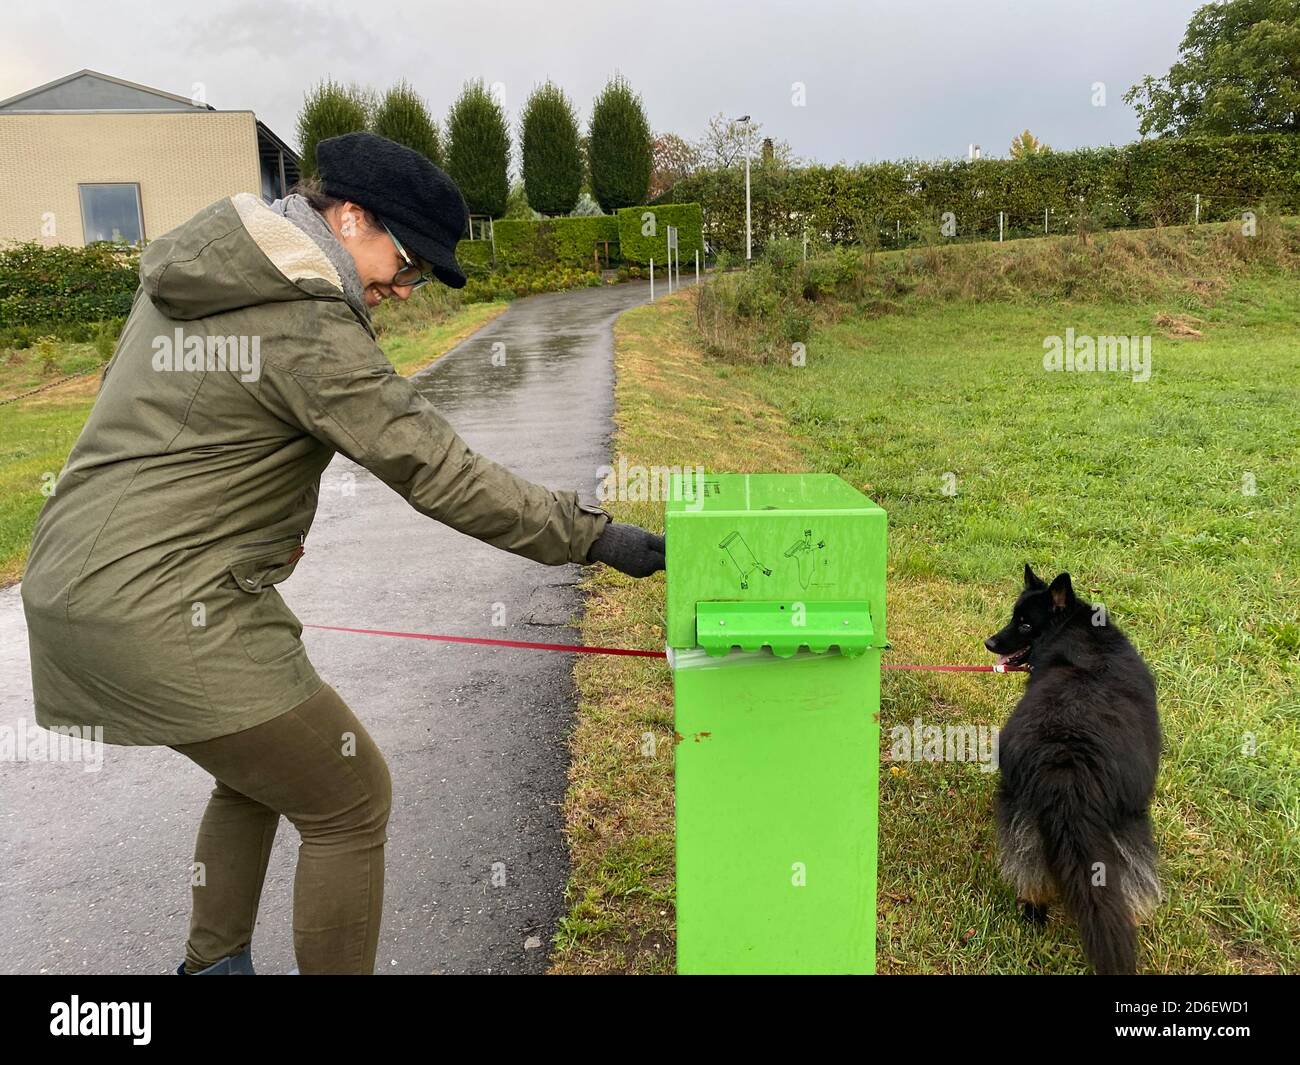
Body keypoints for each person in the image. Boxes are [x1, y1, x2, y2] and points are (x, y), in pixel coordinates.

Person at [20, 132, 664, 975]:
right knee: (351, 798)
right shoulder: (304, 321)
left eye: (421, 275)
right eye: (407, 260)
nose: (404, 285)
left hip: (83, 579)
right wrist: (594, 533)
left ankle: (213, 969)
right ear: (350, 215)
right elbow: (434, 467)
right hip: (163, 602)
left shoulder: (206, 275)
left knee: (256, 774)